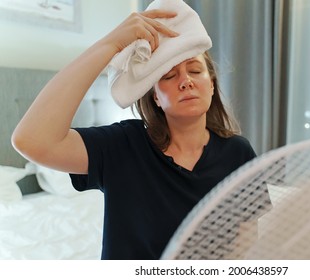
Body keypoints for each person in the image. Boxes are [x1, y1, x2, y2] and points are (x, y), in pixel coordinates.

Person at [11, 10, 256, 260]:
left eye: (195, 71)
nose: (186, 81)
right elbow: (30, 139)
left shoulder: (238, 153)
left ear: (212, 84)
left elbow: (247, 234)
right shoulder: (124, 147)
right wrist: (111, 43)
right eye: (169, 75)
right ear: (156, 97)